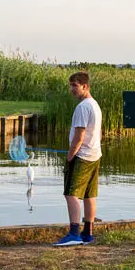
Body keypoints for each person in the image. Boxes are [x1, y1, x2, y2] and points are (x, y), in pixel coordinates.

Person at [54, 72, 103, 246]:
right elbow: (99, 134)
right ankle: (87, 233)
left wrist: (70, 155)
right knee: (90, 194)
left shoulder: (83, 107)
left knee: (71, 194)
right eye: (71, 85)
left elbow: (79, 136)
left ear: (85, 86)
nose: (72, 89)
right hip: (95, 155)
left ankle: (74, 234)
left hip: (82, 156)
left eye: (75, 85)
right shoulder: (95, 105)